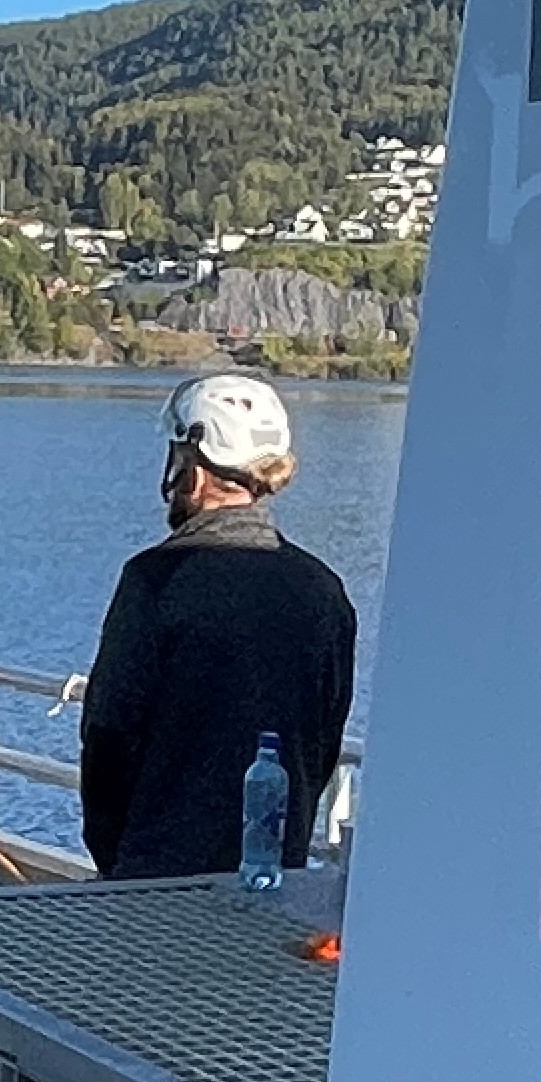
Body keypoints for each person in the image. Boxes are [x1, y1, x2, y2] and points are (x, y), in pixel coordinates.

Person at [79, 374, 358, 882]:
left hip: (156, 882)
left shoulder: (155, 581)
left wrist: (117, 863)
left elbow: (107, 743)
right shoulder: (323, 591)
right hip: (272, 880)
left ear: (193, 473)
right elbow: (322, 745)